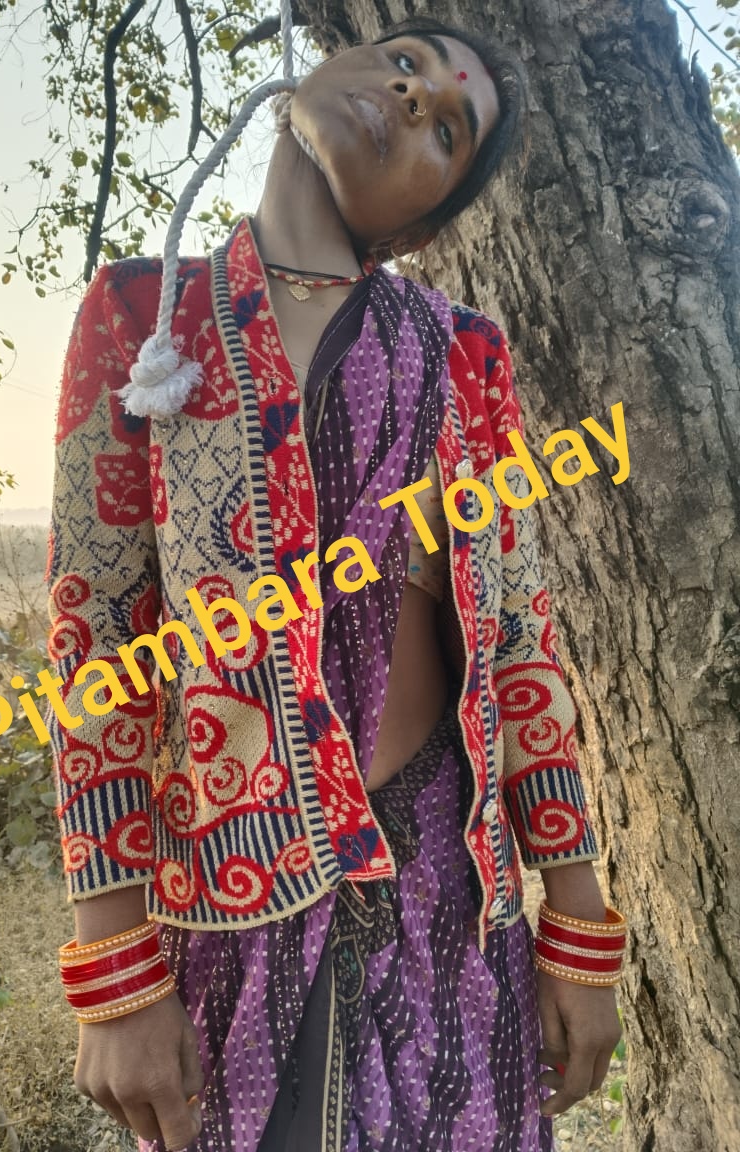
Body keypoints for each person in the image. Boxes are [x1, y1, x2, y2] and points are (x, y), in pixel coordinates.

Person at [45, 14, 625, 1152]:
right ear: (324, 66)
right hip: (235, 914)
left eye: (448, 130)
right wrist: (113, 968)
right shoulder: (144, 320)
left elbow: (519, 643)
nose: (414, 96)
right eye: (406, 64)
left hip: (452, 908)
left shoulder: (463, 354)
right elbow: (97, 643)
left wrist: (578, 923)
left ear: (427, 220)